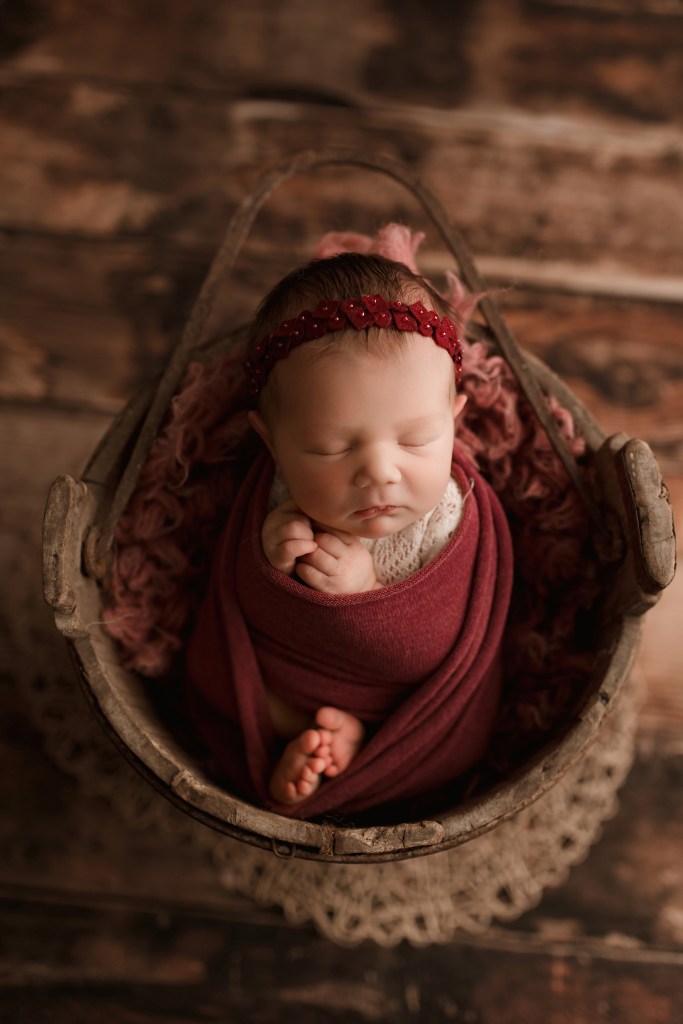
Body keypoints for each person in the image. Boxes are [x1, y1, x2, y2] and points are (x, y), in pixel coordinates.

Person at [185, 227, 514, 819]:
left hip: (411, 700)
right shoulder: (278, 493)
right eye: (332, 449)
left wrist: (363, 597)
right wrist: (271, 562)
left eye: (417, 439)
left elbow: (432, 650)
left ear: (456, 419)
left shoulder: (447, 516)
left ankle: (357, 741)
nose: (379, 472)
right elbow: (239, 595)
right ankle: (307, 737)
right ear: (272, 442)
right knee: (227, 678)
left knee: (438, 717)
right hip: (286, 680)